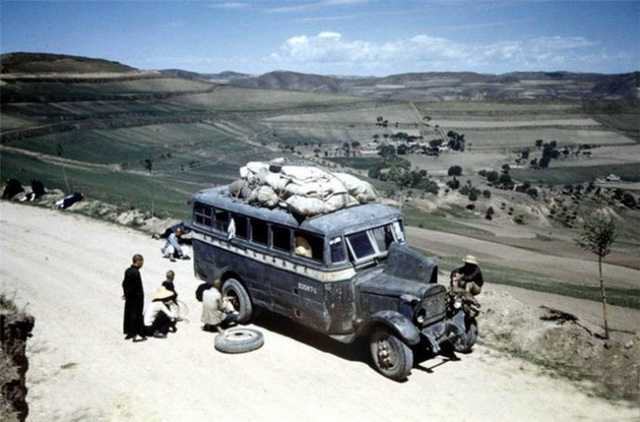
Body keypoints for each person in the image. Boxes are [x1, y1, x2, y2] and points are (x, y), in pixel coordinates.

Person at [122, 254, 146, 342]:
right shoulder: (136, 273)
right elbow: (134, 286)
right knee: (136, 315)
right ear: (138, 261)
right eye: (142, 262)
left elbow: (124, 284)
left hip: (129, 297)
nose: (142, 264)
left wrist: (125, 294)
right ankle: (137, 333)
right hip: (136, 298)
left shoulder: (128, 271)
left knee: (129, 314)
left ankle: (129, 332)